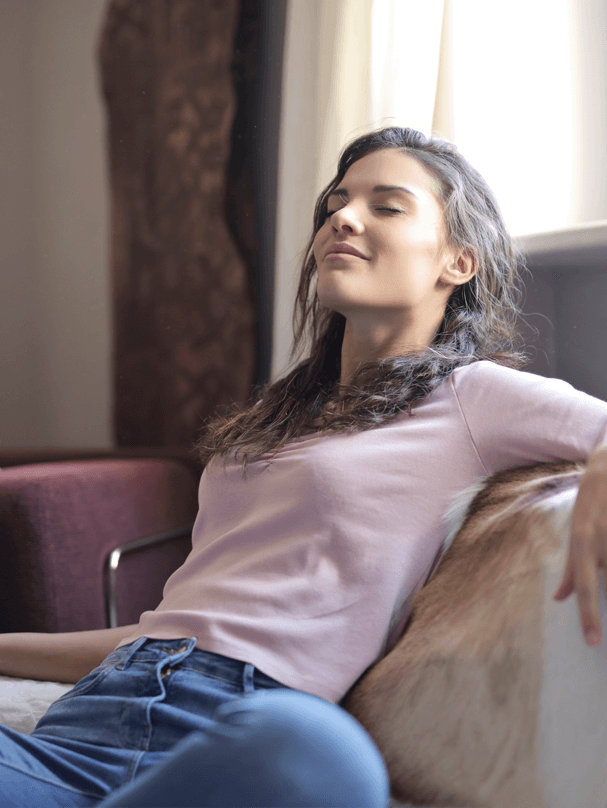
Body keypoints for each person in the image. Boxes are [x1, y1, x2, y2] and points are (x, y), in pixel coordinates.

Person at [1, 126, 606, 807]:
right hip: (84, 728)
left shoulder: (471, 397)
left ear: (457, 262)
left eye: (386, 204)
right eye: (335, 203)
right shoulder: (270, 422)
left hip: (245, 727)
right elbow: (172, 628)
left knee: (318, 752)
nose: (341, 217)